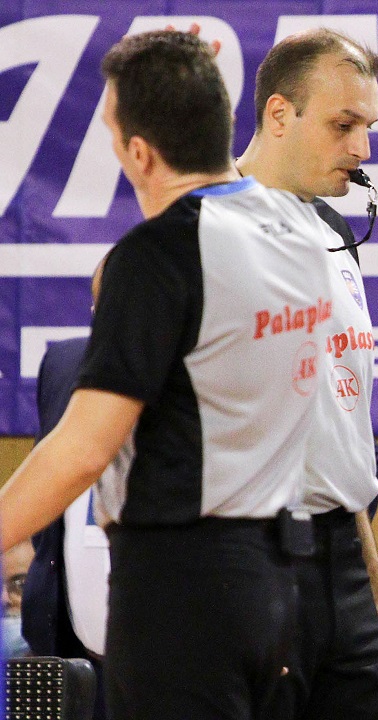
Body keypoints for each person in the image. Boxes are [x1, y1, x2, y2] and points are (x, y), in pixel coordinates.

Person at [0, 29, 339, 718]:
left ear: (139, 152)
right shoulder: (304, 231)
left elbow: (84, 448)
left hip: (183, 589)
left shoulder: (158, 255)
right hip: (282, 583)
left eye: (110, 131)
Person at [236, 28, 378, 719]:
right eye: (344, 125)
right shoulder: (203, 226)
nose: (363, 148)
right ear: (280, 114)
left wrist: (375, 591)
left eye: (368, 128)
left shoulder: (337, 234)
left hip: (342, 565)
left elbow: (342, 431)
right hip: (248, 561)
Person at [22, 257, 117, 720]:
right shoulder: (64, 363)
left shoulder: (218, 376)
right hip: (70, 647)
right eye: (104, 309)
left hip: (182, 645)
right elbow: (49, 482)